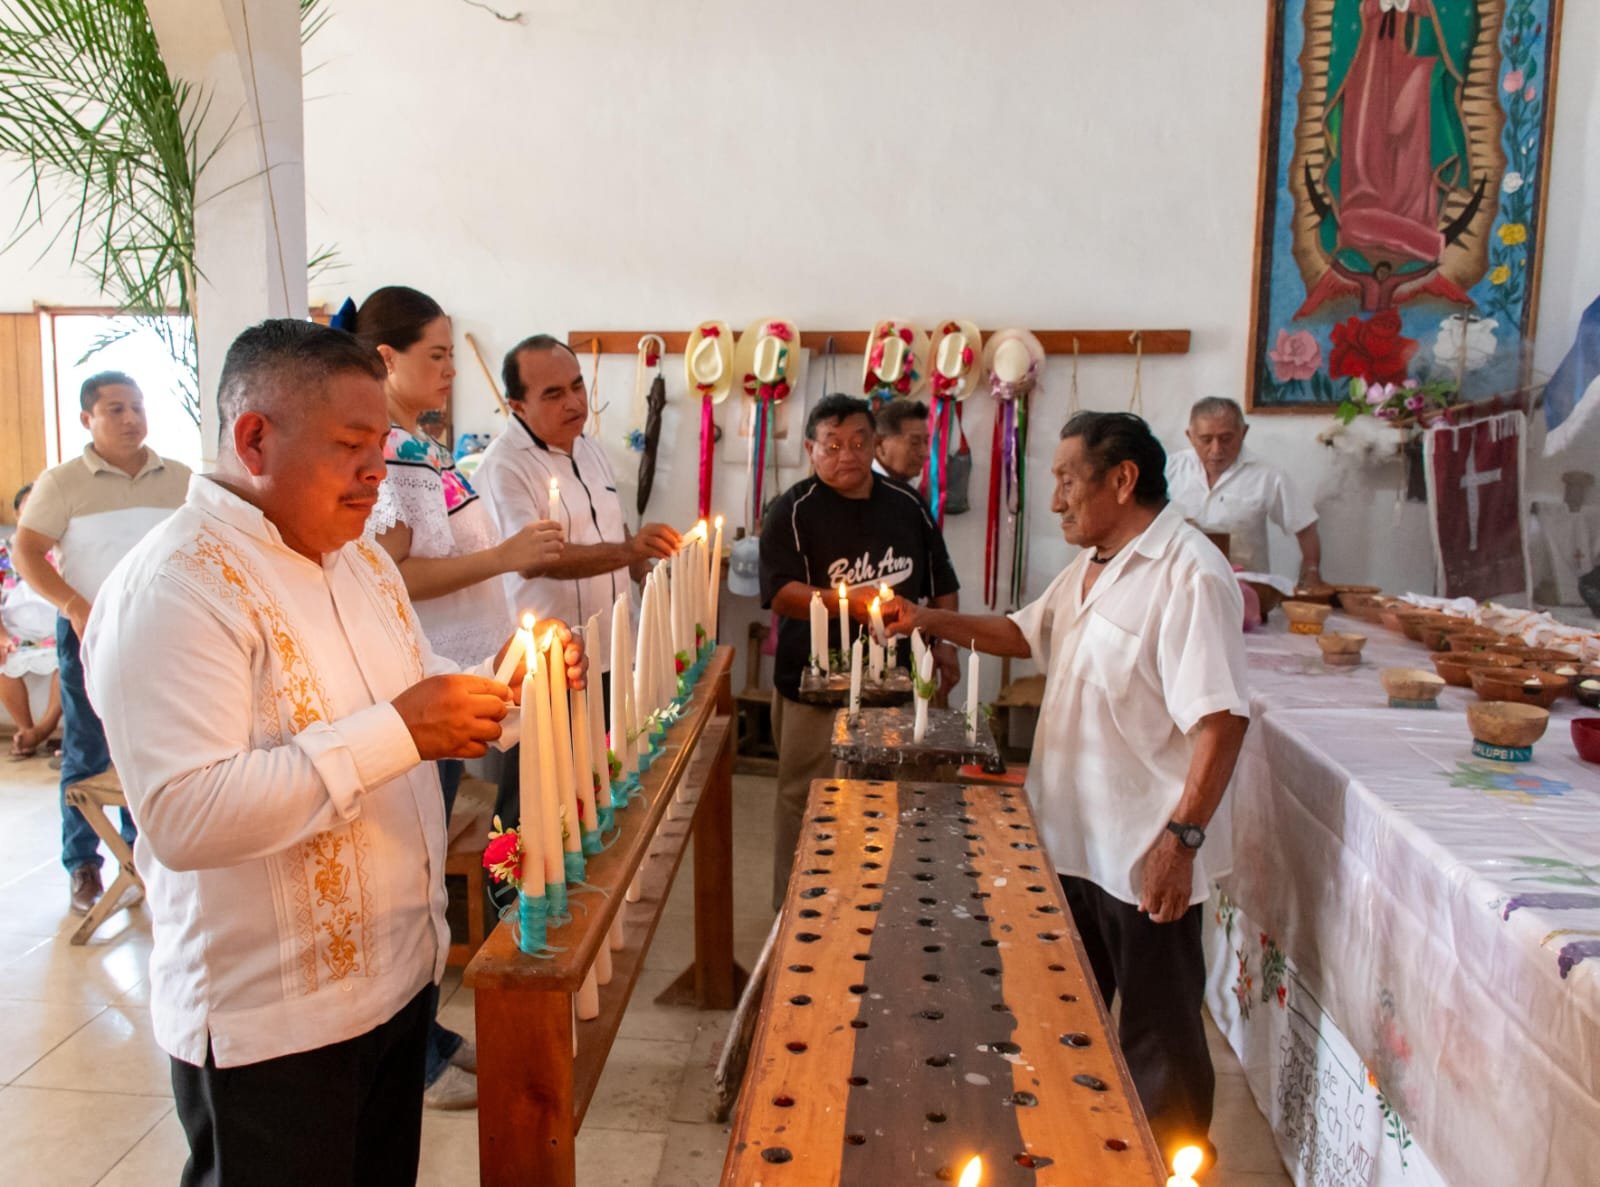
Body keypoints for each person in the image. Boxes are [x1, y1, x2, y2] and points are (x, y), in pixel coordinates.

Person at [83, 318, 583, 1187]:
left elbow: (422, 692)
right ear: (254, 440)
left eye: (380, 445)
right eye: (350, 446)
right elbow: (184, 817)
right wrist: (401, 732)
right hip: (273, 1026)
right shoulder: (175, 586)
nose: (377, 472)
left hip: (396, 987)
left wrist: (509, 685)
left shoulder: (361, 563)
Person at [882, 411, 1250, 1166]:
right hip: (1069, 845)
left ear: (1123, 479)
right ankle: (1075, 1158)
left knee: (1160, 1041)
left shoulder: (1189, 573)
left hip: (1143, 857)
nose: (1055, 501)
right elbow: (1025, 633)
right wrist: (926, 618)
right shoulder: (1094, 564)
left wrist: (1181, 842)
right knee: (1064, 1018)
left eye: (1067, 481)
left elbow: (1221, 721)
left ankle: (1167, 1170)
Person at [349, 286, 564, 1111]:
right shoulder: (388, 452)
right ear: (385, 358)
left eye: (450, 354)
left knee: (428, 871)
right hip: (422, 684)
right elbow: (395, 576)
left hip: (463, 671)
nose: (449, 369)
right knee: (413, 875)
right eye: (435, 354)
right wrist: (505, 555)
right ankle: (415, 1054)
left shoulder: (425, 448)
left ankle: (428, 1034)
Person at [760, 393, 960, 911]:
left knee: (897, 795)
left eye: (857, 442)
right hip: (814, 688)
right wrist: (851, 601)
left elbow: (942, 580)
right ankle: (798, 911)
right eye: (832, 445)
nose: (846, 455)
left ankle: (885, 905)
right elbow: (779, 593)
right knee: (808, 796)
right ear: (810, 448)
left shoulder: (906, 504)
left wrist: (945, 647)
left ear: (875, 444)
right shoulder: (792, 510)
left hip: (898, 681)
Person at [473, 334, 680, 822]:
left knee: (603, 787)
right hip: (549, 663)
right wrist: (628, 550)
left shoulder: (589, 448)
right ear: (517, 405)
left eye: (577, 386)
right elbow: (535, 560)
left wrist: (645, 569)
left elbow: (613, 527)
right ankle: (517, 875)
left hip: (611, 650)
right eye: (553, 394)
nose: (573, 403)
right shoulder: (503, 467)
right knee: (536, 804)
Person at [12, 371, 191, 914]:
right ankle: (84, 865)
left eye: (138, 406)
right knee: (88, 748)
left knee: (153, 746)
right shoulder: (63, 482)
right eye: (116, 409)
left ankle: (143, 858)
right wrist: (72, 605)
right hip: (89, 632)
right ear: (86, 418)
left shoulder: (180, 478)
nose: (131, 418)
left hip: (161, 634)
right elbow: (26, 552)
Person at [1165, 396, 1322, 584]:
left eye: (1226, 439)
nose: (1216, 449)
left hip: (1244, 587)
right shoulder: (1169, 469)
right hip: (1178, 582)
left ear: (1243, 432)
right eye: (1206, 440)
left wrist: (1311, 569)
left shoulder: (1268, 476)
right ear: (1190, 436)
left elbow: (1304, 525)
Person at [1, 485, 62, 757]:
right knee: (3, 658)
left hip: (57, 628)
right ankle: (25, 731)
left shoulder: (63, 549)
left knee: (70, 658)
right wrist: (2, 636)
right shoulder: (4, 553)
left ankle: (44, 729)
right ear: (17, 514)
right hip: (14, 631)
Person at [872, 398, 930, 483]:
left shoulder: (909, 485)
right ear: (880, 444)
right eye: (914, 443)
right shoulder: (862, 487)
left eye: (926, 442)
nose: (924, 453)